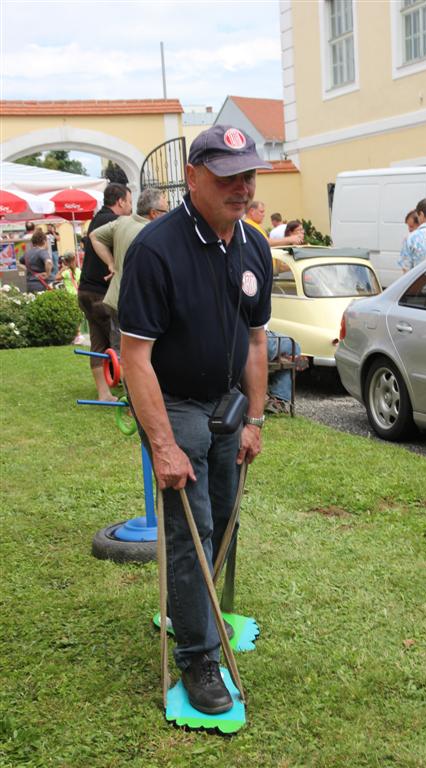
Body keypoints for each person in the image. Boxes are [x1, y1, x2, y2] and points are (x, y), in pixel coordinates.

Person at [119, 124, 272, 716]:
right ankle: (198, 657)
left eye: (248, 175)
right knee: (193, 526)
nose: (242, 186)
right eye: (227, 175)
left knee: (225, 516)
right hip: (175, 402)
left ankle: (197, 610)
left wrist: (255, 417)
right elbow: (135, 357)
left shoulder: (253, 244)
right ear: (192, 176)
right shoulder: (158, 248)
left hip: (228, 406)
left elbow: (256, 342)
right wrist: (162, 444)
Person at [89, 188, 168, 354]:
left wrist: (111, 263)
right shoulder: (154, 233)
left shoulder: (123, 222)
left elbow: (95, 236)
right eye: (165, 211)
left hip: (116, 298)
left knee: (121, 353)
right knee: (138, 356)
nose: (168, 215)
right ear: (154, 213)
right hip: (136, 303)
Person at [78, 183, 132, 401]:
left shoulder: (96, 220)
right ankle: (132, 397)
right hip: (103, 294)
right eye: (129, 201)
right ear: (120, 201)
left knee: (99, 343)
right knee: (122, 343)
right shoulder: (115, 222)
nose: (130, 206)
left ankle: (104, 393)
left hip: (85, 291)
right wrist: (113, 264)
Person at [55, 251, 84, 344]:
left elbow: (57, 278)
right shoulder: (79, 271)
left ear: (65, 262)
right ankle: (78, 334)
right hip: (77, 294)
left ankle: (78, 335)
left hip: (70, 295)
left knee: (72, 315)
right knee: (77, 314)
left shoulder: (66, 272)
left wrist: (62, 269)